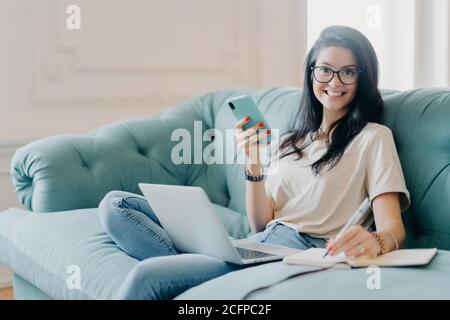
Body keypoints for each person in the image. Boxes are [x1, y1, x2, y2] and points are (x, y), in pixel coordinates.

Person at [98, 25, 410, 300]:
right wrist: (254, 162)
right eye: (325, 69)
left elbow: (393, 227)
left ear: (362, 78)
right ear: (312, 72)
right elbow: (261, 223)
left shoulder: (374, 137)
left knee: (148, 276)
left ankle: (196, 269)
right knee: (117, 205)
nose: (335, 81)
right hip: (256, 243)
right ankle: (201, 267)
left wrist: (375, 242)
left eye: (349, 71)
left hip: (297, 253)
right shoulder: (292, 140)